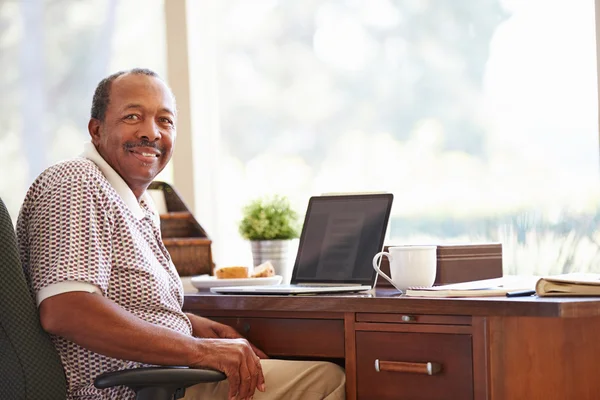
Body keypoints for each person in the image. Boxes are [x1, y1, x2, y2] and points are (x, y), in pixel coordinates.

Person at [16, 68, 346, 400]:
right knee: (326, 379)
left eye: (165, 121)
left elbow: (117, 296)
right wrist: (197, 349)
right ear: (97, 129)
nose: (151, 133)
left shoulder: (138, 204)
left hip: (165, 377)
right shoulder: (76, 182)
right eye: (133, 116)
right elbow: (67, 309)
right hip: (126, 390)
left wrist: (186, 323)